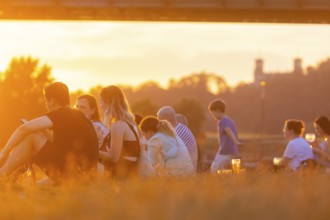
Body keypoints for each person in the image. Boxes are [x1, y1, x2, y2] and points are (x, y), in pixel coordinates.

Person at [0, 82, 98, 183]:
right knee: (34, 188)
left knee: (31, 136)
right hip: (86, 176)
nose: (46, 104)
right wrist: (44, 134)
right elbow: (63, 145)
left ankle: (2, 175)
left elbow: (23, 129)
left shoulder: (61, 115)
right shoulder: (79, 116)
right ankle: (11, 179)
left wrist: (4, 153)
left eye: (46, 101)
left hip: (73, 175)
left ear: (52, 101)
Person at [98, 85, 141, 178]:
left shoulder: (118, 125)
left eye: (101, 101)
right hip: (130, 173)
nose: (100, 106)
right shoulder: (131, 124)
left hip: (121, 175)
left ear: (109, 102)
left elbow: (114, 157)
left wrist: (93, 150)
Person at [157, 106, 198, 172]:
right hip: (185, 168)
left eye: (158, 120)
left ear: (164, 120)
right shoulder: (179, 128)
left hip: (185, 172)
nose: (157, 123)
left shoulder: (177, 133)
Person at [208, 99, 240, 173]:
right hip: (232, 150)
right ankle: (229, 177)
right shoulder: (230, 120)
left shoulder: (221, 121)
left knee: (214, 168)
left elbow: (228, 130)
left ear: (218, 111)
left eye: (213, 114)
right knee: (221, 168)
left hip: (225, 150)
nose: (213, 116)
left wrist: (236, 141)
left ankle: (229, 176)